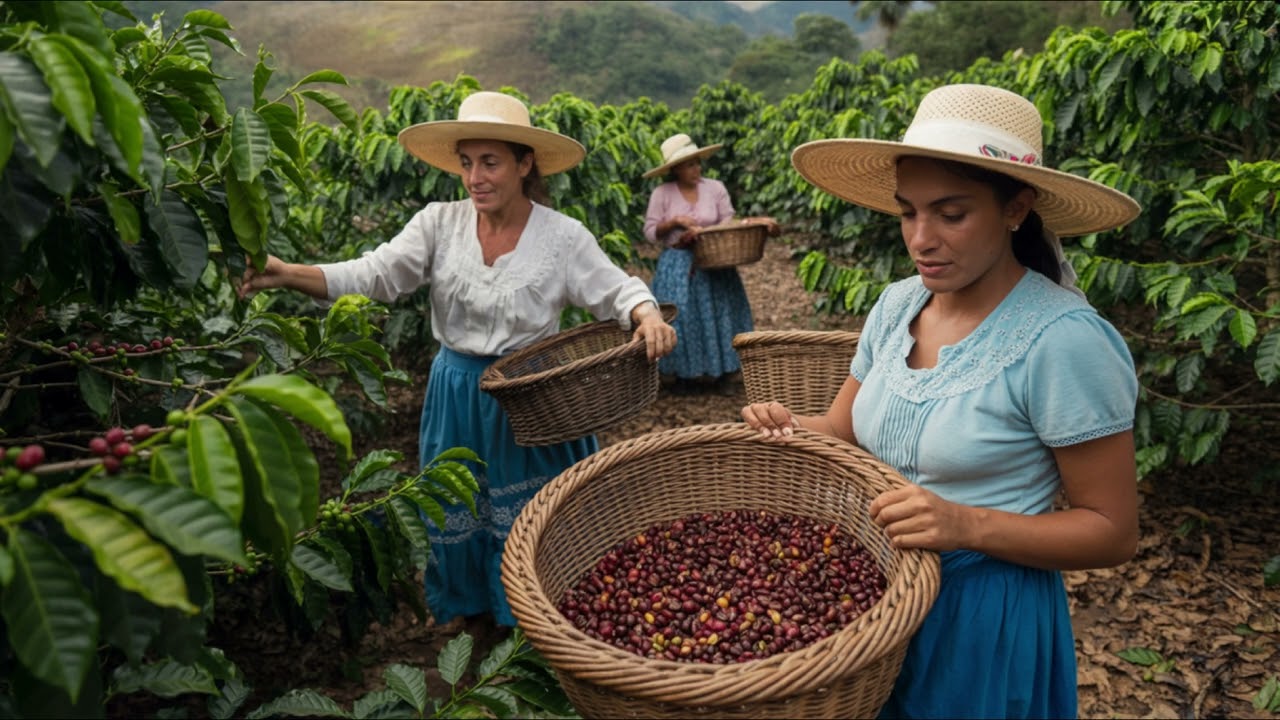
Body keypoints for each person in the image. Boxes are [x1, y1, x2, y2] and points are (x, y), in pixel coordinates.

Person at [741, 84, 1142, 719]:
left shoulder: (1063, 342)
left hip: (982, 618)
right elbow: (843, 430)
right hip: (873, 594)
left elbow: (1112, 532)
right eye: (908, 213)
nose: (921, 239)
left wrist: (965, 524)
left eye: (951, 214)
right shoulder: (899, 305)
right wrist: (790, 429)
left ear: (1016, 209)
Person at [239, 91, 677, 629]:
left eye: (490, 162)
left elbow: (616, 289)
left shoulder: (562, 237)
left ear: (524, 163)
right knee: (461, 513)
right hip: (457, 394)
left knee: (532, 519)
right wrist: (289, 272)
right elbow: (376, 274)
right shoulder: (438, 225)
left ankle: (538, 635)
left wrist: (647, 316)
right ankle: (474, 632)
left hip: (532, 402)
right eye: (466, 163)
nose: (475, 177)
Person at [642, 133, 779, 395]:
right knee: (682, 316)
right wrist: (674, 223)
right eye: (689, 164)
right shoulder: (662, 194)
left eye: (697, 163)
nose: (696, 169)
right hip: (679, 265)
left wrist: (707, 233)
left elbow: (728, 222)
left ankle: (724, 372)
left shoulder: (715, 188)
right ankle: (684, 375)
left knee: (721, 313)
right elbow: (650, 232)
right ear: (675, 169)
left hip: (716, 261)